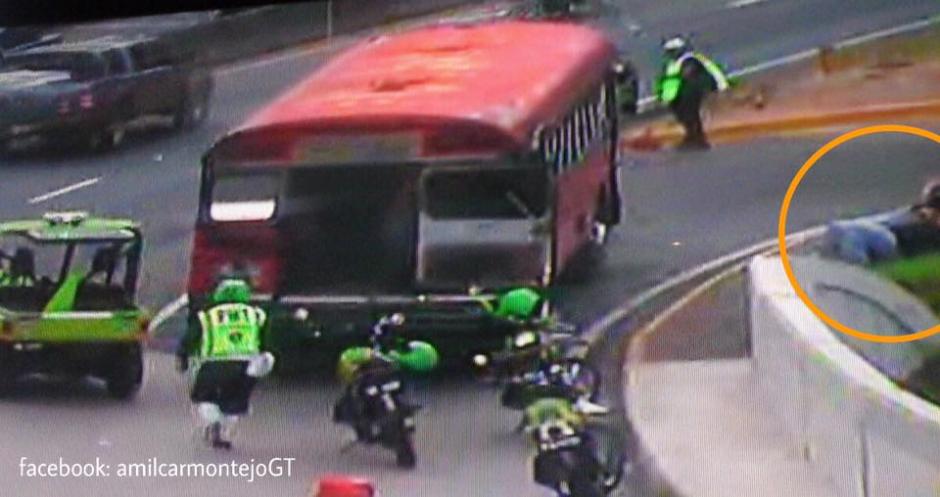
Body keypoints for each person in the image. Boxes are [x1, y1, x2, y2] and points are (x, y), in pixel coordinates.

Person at [176, 278, 274, 449]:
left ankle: (213, 424)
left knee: (205, 396)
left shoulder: (207, 316)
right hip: (246, 365)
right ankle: (225, 432)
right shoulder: (256, 314)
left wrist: (182, 357)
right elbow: (266, 341)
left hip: (214, 364)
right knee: (235, 399)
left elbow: (191, 338)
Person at [655, 36, 730, 150]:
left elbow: (688, 77)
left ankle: (697, 138)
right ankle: (691, 136)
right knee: (683, 116)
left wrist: (720, 89)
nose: (670, 54)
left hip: (691, 93)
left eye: (672, 51)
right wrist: (664, 97)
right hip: (676, 96)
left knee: (691, 115)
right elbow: (668, 82)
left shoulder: (690, 60)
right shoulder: (672, 64)